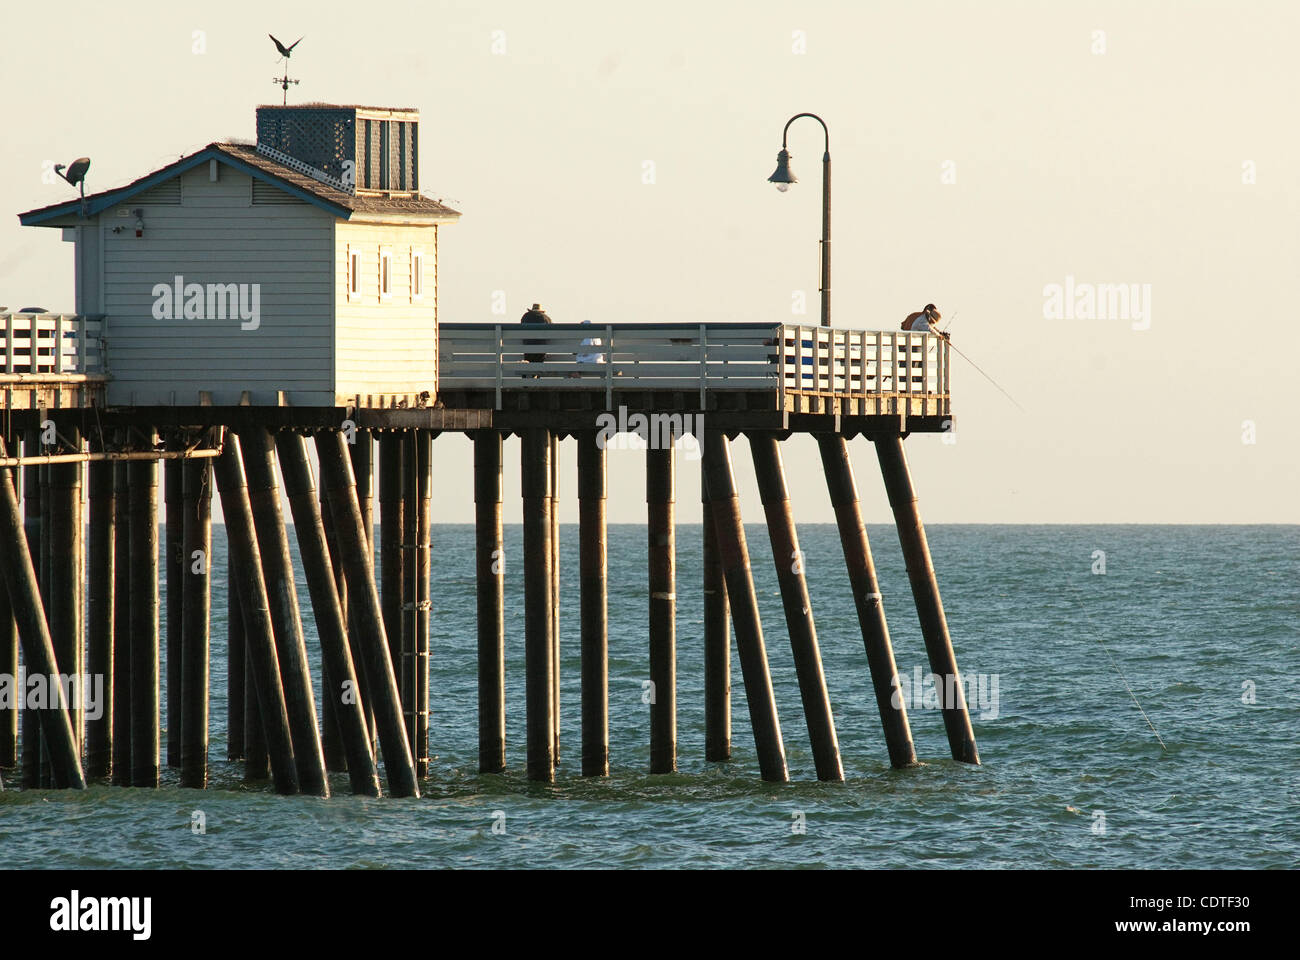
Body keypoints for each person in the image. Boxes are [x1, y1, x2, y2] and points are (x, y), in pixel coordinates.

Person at [520, 302, 552, 373]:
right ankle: (537, 378)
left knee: (528, 362)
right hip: (541, 350)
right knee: (538, 364)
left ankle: (527, 379)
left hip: (528, 348)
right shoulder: (546, 318)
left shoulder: (526, 317)